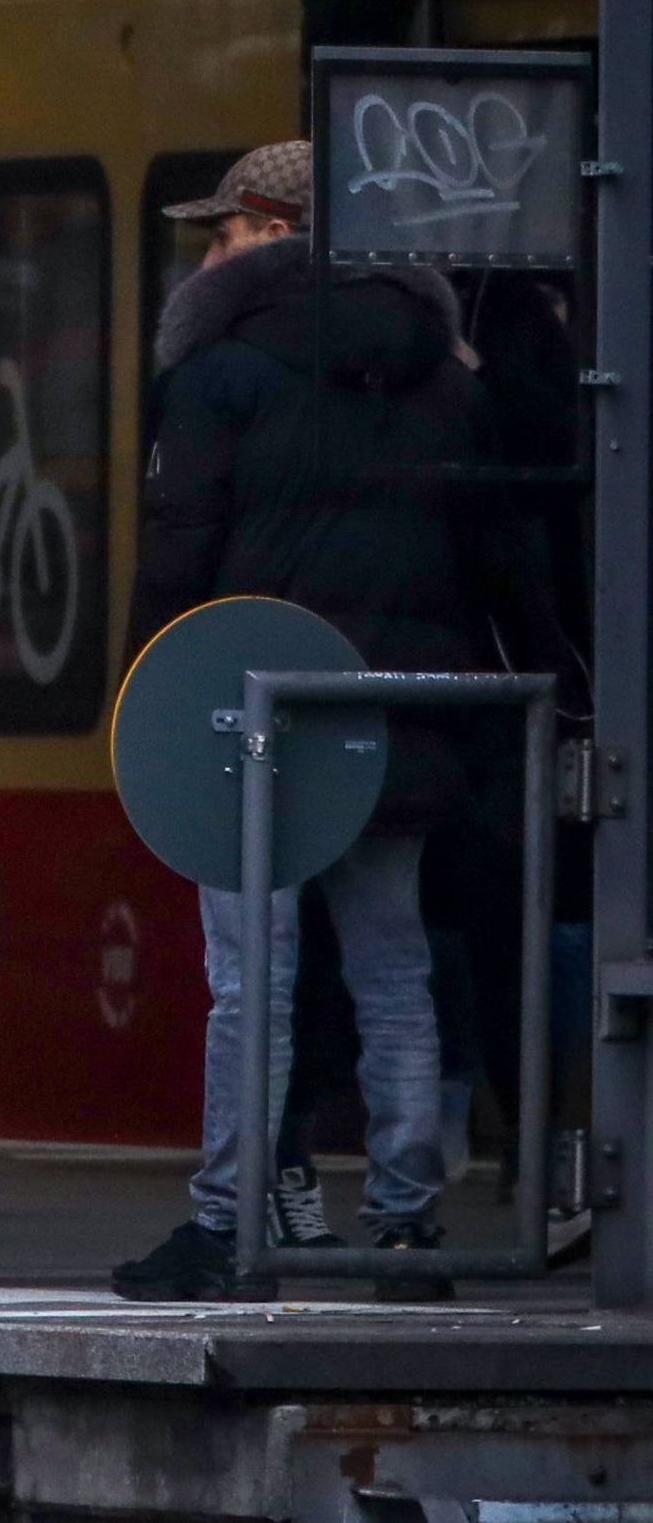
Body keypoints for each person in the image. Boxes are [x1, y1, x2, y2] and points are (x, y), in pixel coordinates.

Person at [111, 136, 478, 1301]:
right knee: (394, 967)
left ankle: (229, 1227)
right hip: (398, 706)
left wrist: (147, 699)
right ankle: (408, 1228)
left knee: (251, 981)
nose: (207, 258)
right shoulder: (446, 376)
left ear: (274, 231)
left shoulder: (223, 374)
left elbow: (179, 553)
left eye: (221, 232)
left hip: (254, 715)